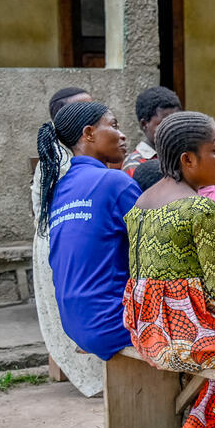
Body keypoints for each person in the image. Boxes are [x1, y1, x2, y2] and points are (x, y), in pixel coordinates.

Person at [122, 111, 215, 428]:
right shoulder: (200, 208)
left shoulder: (142, 203)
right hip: (183, 332)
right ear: (188, 159)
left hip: (144, 326)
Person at [35, 101, 139, 361]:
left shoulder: (59, 188)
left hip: (74, 324)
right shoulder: (115, 182)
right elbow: (155, 253)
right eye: (114, 126)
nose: (122, 134)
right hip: (114, 324)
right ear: (89, 133)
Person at [123, 86, 181, 176]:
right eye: (164, 124)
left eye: (176, 123)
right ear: (144, 124)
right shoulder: (135, 164)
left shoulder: (183, 157)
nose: (172, 130)